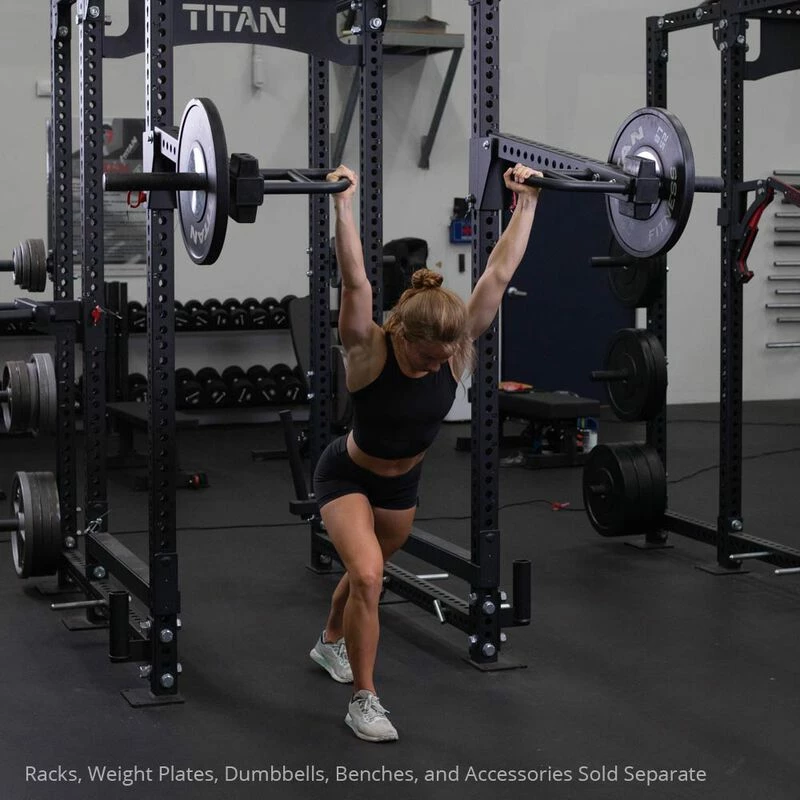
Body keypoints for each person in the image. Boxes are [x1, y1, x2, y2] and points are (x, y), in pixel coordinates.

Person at [309, 162, 541, 742]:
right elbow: (356, 284)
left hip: (402, 487)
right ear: (401, 335)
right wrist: (342, 204)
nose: (440, 365)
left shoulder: (452, 347)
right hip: (347, 474)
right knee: (368, 575)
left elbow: (497, 274)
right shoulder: (369, 349)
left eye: (446, 357)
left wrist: (527, 203)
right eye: (428, 358)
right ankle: (364, 699)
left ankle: (330, 639)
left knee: (366, 573)